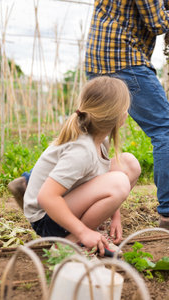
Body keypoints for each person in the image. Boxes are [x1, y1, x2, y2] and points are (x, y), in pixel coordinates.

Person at [8, 0, 169, 228]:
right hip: (124, 57)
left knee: (91, 129)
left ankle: (30, 181)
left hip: (99, 57)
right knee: (164, 128)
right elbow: (157, 22)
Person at [24, 77, 141, 256]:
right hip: (47, 218)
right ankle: (70, 242)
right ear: (119, 116)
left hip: (66, 204)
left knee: (129, 164)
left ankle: (90, 228)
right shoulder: (82, 150)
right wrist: (83, 232)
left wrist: (115, 216)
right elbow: (47, 197)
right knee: (119, 182)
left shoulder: (101, 140)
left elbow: (98, 178)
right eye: (125, 108)